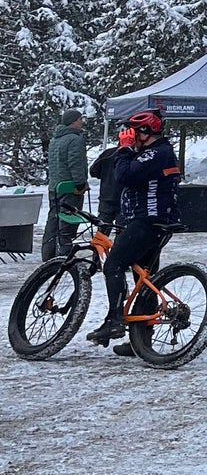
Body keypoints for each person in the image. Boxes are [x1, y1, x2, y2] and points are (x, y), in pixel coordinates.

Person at [86, 110, 183, 355]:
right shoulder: (157, 152)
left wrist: (125, 148)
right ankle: (141, 340)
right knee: (147, 280)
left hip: (147, 221)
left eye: (132, 131)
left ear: (144, 132)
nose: (128, 135)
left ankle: (114, 320)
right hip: (151, 221)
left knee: (113, 265)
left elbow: (123, 175)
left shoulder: (155, 152)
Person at [42, 108, 90, 257]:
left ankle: (48, 253)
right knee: (68, 223)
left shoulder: (55, 139)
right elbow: (75, 163)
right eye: (79, 119)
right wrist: (80, 184)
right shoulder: (75, 140)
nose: (82, 123)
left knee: (53, 220)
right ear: (73, 122)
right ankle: (65, 254)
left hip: (55, 187)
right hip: (71, 188)